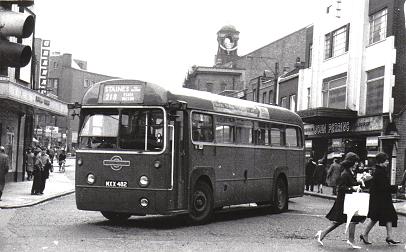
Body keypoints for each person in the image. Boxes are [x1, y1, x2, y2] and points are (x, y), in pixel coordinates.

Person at [315, 152, 365, 249]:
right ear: (350, 162)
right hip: (343, 201)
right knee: (348, 220)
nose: (356, 164)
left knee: (344, 221)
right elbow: (341, 188)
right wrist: (352, 188)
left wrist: (359, 181)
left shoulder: (350, 172)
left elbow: (351, 184)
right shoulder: (345, 173)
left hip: (349, 201)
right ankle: (350, 240)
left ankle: (322, 234)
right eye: (355, 162)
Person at [360, 152, 401, 245]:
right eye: (386, 160)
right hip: (381, 200)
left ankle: (389, 236)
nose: (388, 162)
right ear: (381, 161)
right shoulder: (380, 172)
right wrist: (395, 187)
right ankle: (365, 234)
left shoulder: (379, 170)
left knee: (388, 216)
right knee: (379, 217)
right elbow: (383, 187)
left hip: (381, 199)